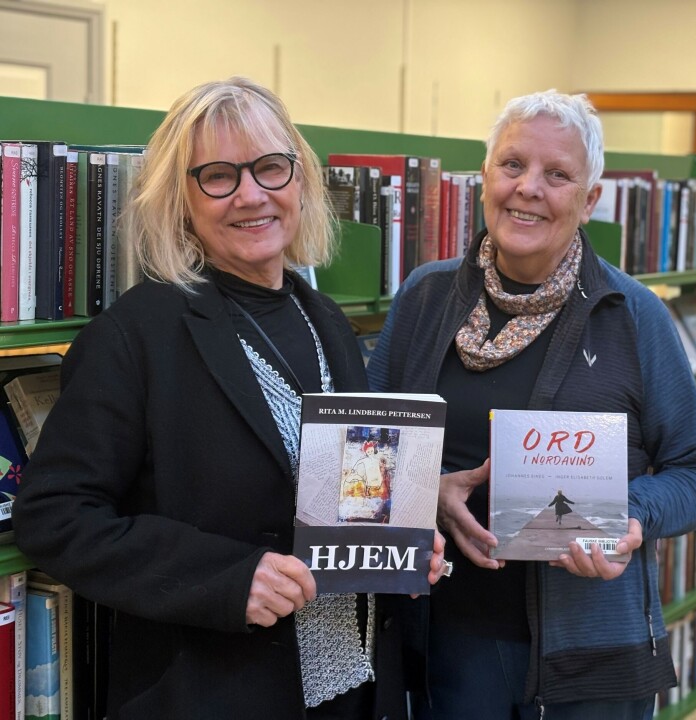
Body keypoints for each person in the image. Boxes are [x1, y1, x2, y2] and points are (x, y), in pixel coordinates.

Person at [13, 77, 445, 720]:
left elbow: (347, 487)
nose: (252, 195)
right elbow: (55, 517)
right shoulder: (136, 335)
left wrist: (399, 540)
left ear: (299, 180)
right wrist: (227, 577)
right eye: (218, 176)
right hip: (216, 689)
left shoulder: (326, 319)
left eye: (271, 168)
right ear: (180, 200)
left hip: (349, 684)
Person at [367, 90, 696, 719]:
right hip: (448, 647)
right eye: (512, 165)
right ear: (486, 178)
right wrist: (428, 491)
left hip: (590, 656)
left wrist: (630, 514)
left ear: (589, 200)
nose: (528, 188)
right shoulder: (424, 298)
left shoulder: (633, 315)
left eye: (557, 174)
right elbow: (364, 453)